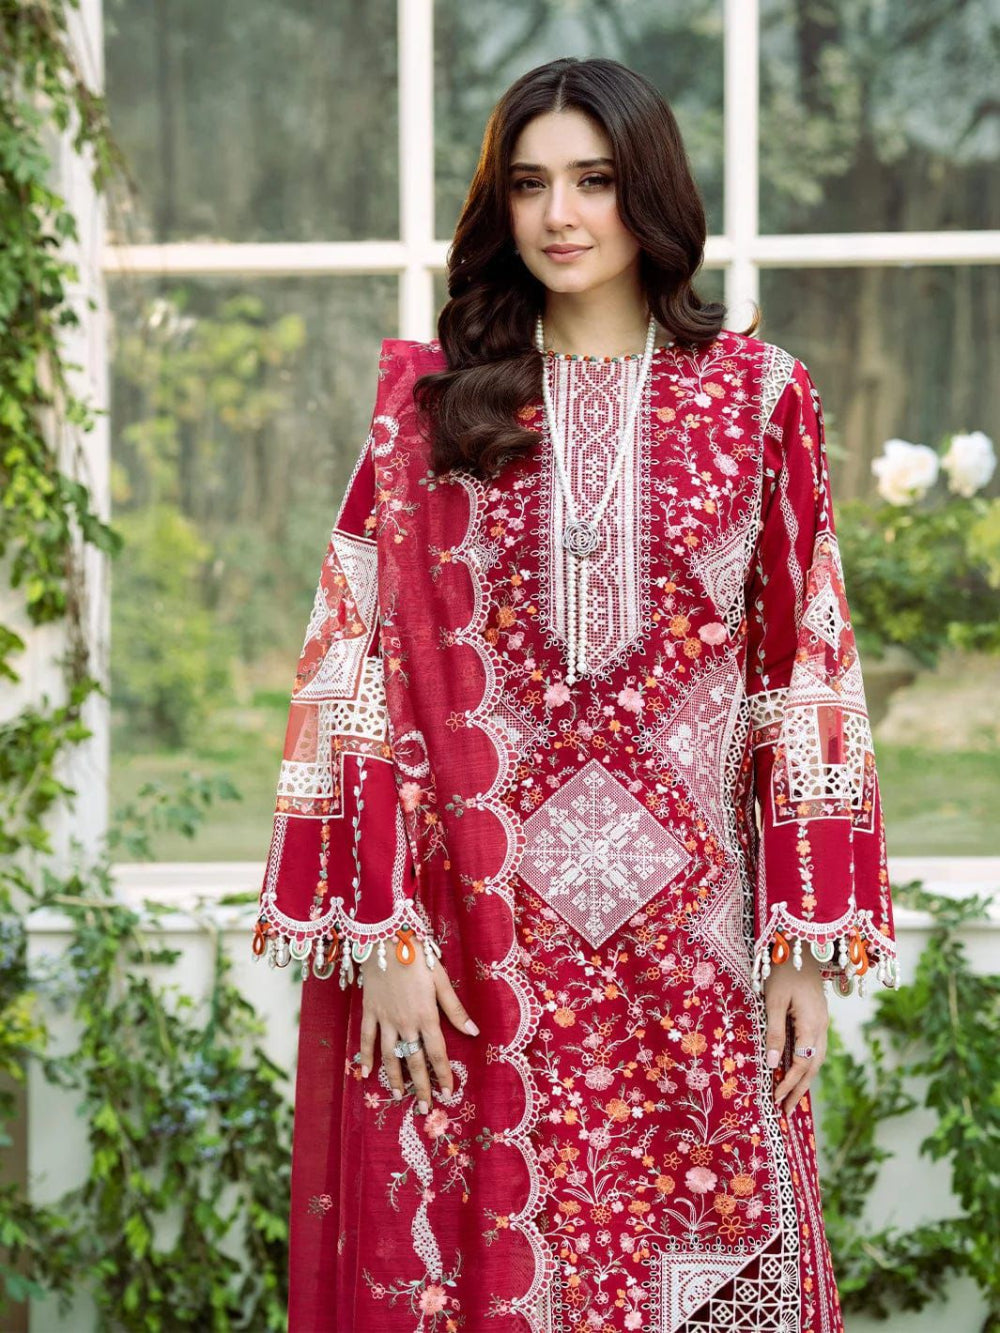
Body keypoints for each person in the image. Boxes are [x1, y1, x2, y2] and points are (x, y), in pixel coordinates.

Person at [253, 55, 898, 1333]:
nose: (560, 216)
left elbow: (800, 664)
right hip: (481, 955)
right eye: (530, 185)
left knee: (709, 1268)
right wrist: (382, 932)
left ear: (646, 193)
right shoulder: (432, 410)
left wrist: (800, 944)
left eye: (593, 182)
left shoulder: (759, 397)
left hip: (695, 945)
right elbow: (353, 667)